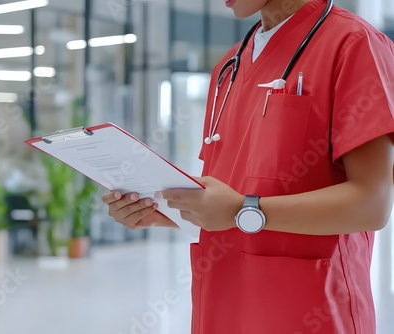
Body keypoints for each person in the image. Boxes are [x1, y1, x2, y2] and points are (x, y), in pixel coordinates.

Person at [102, 0, 394, 333]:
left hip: (310, 309)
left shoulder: (354, 44)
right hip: (221, 302)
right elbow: (231, 197)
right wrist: (166, 212)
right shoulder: (229, 66)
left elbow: (372, 204)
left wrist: (243, 210)